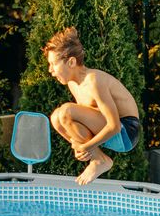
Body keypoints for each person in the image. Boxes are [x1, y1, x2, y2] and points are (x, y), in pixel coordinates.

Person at [44, 27, 140, 185]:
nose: (50, 70)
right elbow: (81, 121)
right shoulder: (73, 84)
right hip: (108, 132)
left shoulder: (94, 81)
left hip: (126, 132)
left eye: (53, 64)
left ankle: (99, 160)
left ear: (71, 62)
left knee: (65, 111)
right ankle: (99, 158)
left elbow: (114, 126)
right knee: (56, 118)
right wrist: (79, 144)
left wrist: (87, 146)